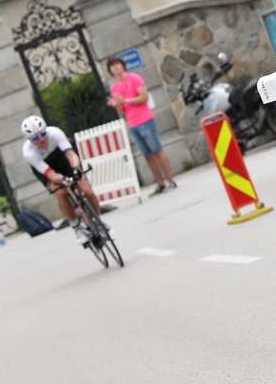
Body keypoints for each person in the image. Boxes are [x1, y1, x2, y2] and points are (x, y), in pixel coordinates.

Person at [20, 115, 104, 244]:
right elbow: (50, 173)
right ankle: (76, 226)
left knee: (87, 190)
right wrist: (62, 180)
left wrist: (75, 169)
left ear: (46, 130)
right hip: (46, 167)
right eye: (35, 138)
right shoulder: (28, 152)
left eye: (43, 134)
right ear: (29, 140)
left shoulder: (55, 133)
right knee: (61, 193)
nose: (41, 139)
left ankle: (98, 221)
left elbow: (71, 154)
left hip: (61, 158)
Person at [105, 57, 178, 195]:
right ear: (110, 71)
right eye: (112, 66)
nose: (116, 67)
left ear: (123, 65)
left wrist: (126, 100)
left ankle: (171, 180)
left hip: (145, 120)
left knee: (157, 151)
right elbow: (122, 110)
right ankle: (160, 183)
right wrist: (116, 105)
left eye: (117, 64)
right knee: (148, 155)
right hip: (132, 124)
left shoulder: (135, 78)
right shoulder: (114, 87)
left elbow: (144, 97)